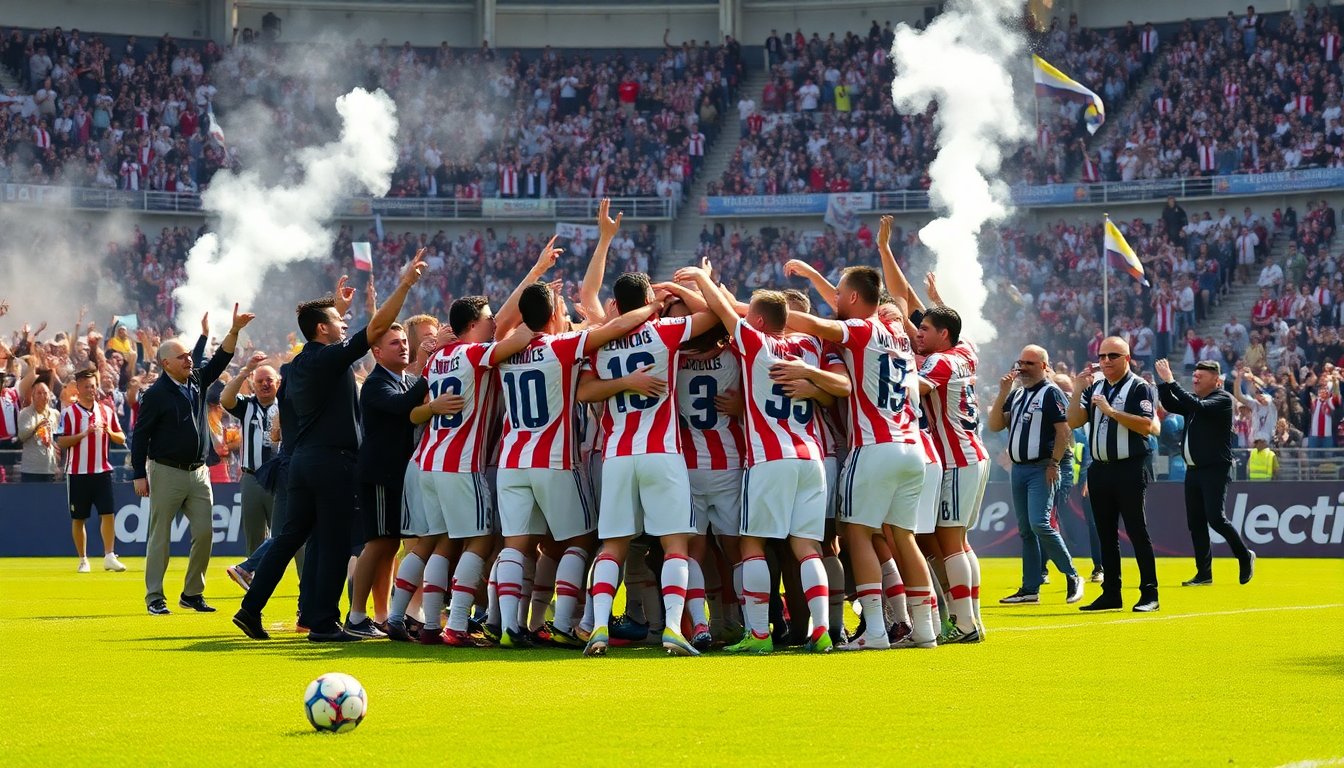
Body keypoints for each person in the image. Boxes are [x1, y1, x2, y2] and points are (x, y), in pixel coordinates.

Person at [234, 256, 426, 643]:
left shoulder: (298, 363)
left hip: (301, 462)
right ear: (323, 330)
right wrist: (404, 284)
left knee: (290, 538)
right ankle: (323, 623)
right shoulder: (329, 357)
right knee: (335, 544)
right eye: (339, 321)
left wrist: (334, 308)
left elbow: (327, 333)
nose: (345, 324)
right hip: (333, 462)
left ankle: (250, 610)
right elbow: (371, 331)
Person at [679, 264, 845, 654]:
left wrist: (703, 279)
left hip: (770, 459)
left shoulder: (756, 343)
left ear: (756, 319)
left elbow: (721, 310)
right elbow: (840, 386)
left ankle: (758, 634)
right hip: (812, 458)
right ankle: (821, 630)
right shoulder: (811, 347)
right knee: (808, 547)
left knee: (751, 544)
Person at [404, 299, 533, 646]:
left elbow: (415, 412)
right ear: (474, 323)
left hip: (429, 462)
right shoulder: (475, 354)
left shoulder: (436, 359)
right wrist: (537, 312)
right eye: (489, 318)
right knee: (480, 540)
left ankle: (430, 624)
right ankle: (457, 624)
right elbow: (520, 338)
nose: (494, 323)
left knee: (443, 542)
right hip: (460, 465)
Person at [132, 307, 250, 614]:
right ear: (166, 363)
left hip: (199, 472)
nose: (189, 360)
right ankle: (155, 597)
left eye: (189, 355)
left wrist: (233, 331)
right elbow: (140, 435)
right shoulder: (155, 394)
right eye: (182, 357)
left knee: (205, 532)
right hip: (166, 471)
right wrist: (138, 474)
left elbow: (221, 359)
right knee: (160, 536)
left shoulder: (196, 380)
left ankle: (192, 593)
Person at [344, 322, 431, 639]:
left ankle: (382, 615)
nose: (403, 346)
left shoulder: (405, 380)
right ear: (377, 353)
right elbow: (401, 406)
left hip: (398, 474)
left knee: (391, 545)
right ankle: (356, 616)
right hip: (379, 475)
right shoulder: (376, 383)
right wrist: (428, 375)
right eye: (395, 343)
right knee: (378, 543)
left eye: (404, 341)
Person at [1066, 337, 1162, 613]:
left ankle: (1149, 593)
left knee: (1136, 530)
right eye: (1102, 356)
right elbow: (1074, 421)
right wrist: (1076, 391)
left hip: (1129, 466)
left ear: (1127, 358)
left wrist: (1111, 411)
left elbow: (1146, 425)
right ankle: (1111, 593)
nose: (1106, 361)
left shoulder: (1139, 387)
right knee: (1105, 533)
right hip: (1100, 468)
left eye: (1113, 356)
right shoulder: (1095, 386)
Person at [988, 346, 1084, 606]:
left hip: (1042, 467)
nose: (1023, 368)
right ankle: (1030, 588)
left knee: (1040, 523)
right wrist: (1002, 393)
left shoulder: (1051, 393)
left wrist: (1054, 463)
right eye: (1020, 362)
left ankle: (1072, 575)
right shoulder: (1017, 394)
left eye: (1030, 363)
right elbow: (995, 424)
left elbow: (1064, 432)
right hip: (1019, 469)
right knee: (1026, 531)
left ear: (1044, 366)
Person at [1154, 359, 1256, 586]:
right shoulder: (1196, 401)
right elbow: (1171, 404)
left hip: (1214, 469)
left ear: (1217, 380)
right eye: (1195, 375)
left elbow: (1197, 407)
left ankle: (1244, 555)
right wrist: (1163, 384)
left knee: (1216, 519)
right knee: (1196, 523)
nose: (1195, 378)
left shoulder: (1222, 399)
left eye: (1201, 375)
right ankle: (1204, 573)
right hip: (1194, 471)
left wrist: (1171, 380)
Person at [56, 369, 127, 573]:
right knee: (79, 518)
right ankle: (83, 559)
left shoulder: (106, 411)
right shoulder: (69, 413)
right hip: (77, 472)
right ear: (78, 388)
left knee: (108, 513)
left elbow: (121, 438)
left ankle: (109, 556)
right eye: (86, 386)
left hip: (102, 470)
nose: (90, 390)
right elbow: (61, 441)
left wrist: (109, 431)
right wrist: (83, 434)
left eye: (93, 386)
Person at [219, 354, 279, 563]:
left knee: (290, 534)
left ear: (277, 383)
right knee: (254, 536)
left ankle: (305, 584)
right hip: (252, 478)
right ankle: (253, 583)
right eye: (259, 381)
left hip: (280, 479)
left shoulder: (288, 404)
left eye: (269, 380)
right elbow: (225, 399)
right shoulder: (246, 405)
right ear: (252, 385)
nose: (264, 385)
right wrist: (245, 371)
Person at [17, 381, 61, 482]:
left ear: (49, 395)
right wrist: (36, 426)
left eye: (45, 393)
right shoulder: (25, 413)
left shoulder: (55, 414)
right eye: (39, 393)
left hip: (50, 469)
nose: (43, 396)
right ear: (33, 396)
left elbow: (58, 440)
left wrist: (58, 465)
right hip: (32, 470)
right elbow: (22, 436)